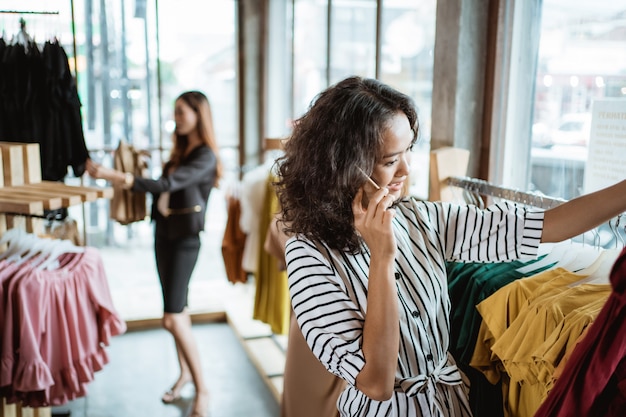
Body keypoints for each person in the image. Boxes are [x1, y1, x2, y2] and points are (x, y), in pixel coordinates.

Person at [273, 75, 626, 416]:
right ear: (344, 166)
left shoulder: (421, 218)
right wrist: (382, 258)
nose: (406, 170)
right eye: (390, 160)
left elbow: (549, 226)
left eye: (408, 151)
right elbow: (377, 383)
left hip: (452, 406)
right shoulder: (308, 257)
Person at [86, 90, 222, 417]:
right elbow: (164, 188)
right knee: (179, 313)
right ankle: (185, 375)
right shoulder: (181, 151)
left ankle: (203, 390)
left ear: (198, 115)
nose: (176, 117)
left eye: (182, 112)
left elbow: (166, 187)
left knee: (172, 317)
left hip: (185, 240)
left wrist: (113, 176)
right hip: (164, 234)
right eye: (175, 111)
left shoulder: (205, 156)